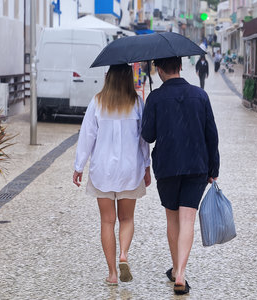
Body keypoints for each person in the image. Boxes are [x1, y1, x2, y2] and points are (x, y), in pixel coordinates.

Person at [141, 56, 220, 295]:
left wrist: (153, 107)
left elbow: (148, 135)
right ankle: (181, 275)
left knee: (172, 220)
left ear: (159, 70)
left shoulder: (155, 98)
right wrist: (213, 169)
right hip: (196, 166)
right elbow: (211, 136)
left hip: (167, 167)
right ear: (180, 67)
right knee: (187, 220)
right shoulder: (200, 96)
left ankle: (176, 269)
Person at [73, 64, 151, 286]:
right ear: (128, 78)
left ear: (108, 77)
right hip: (130, 169)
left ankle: (112, 274)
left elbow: (87, 136)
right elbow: (143, 139)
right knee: (127, 218)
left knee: (107, 221)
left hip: (103, 171)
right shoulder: (137, 103)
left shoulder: (97, 102)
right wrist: (146, 166)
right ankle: (123, 254)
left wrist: (79, 166)